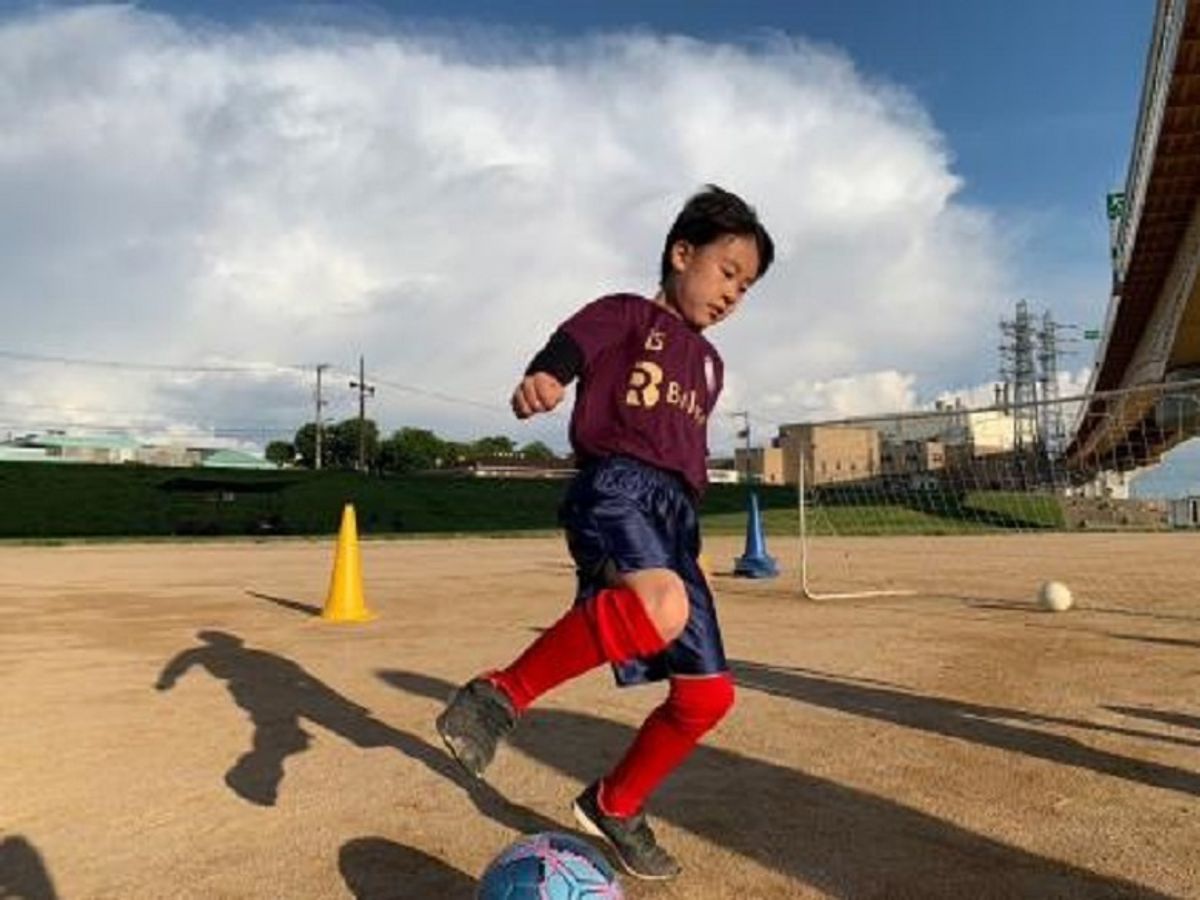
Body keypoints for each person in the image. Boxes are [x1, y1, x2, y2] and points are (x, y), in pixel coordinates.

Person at [436, 184, 774, 881]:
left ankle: (615, 804)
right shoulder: (627, 314)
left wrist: (694, 553)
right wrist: (548, 376)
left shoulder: (710, 366)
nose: (733, 294)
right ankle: (498, 694)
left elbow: (687, 457)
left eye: (747, 288)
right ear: (683, 253)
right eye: (727, 271)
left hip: (675, 518)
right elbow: (574, 342)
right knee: (657, 608)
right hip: (617, 486)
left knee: (708, 695)